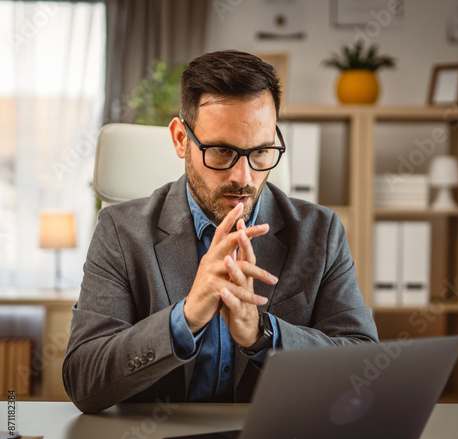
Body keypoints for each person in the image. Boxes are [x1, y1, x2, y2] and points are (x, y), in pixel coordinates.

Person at [63, 50, 378, 414]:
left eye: (261, 152)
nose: (243, 177)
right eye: (222, 151)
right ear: (181, 139)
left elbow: (364, 368)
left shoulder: (320, 232)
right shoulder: (120, 232)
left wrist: (265, 334)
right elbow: (83, 380)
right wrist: (186, 318)